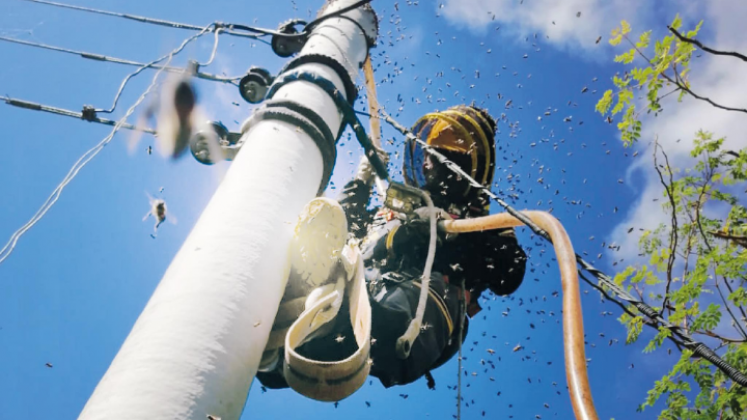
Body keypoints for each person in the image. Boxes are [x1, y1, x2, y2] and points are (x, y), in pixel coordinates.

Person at [257, 105, 527, 392]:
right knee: (324, 231)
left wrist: (460, 233)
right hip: (361, 279)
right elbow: (345, 226)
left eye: (440, 151)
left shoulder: (479, 219)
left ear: (467, 158)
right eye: (425, 153)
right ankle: (281, 319)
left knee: (388, 316)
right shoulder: (396, 209)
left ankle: (317, 330)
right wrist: (361, 182)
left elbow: (508, 274)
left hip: (420, 309)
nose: (426, 163)